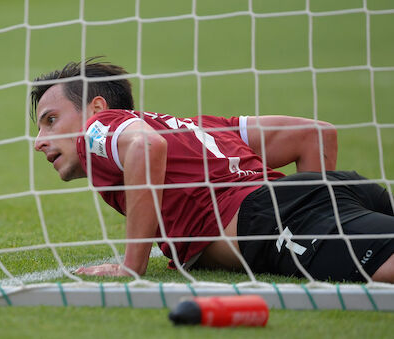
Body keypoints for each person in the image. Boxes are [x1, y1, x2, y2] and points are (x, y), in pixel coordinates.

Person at [31, 57, 394, 283]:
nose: (39, 141)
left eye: (51, 121)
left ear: (97, 109)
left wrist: (131, 265)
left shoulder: (99, 128)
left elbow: (145, 147)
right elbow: (315, 134)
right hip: (323, 195)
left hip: (279, 215)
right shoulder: (195, 127)